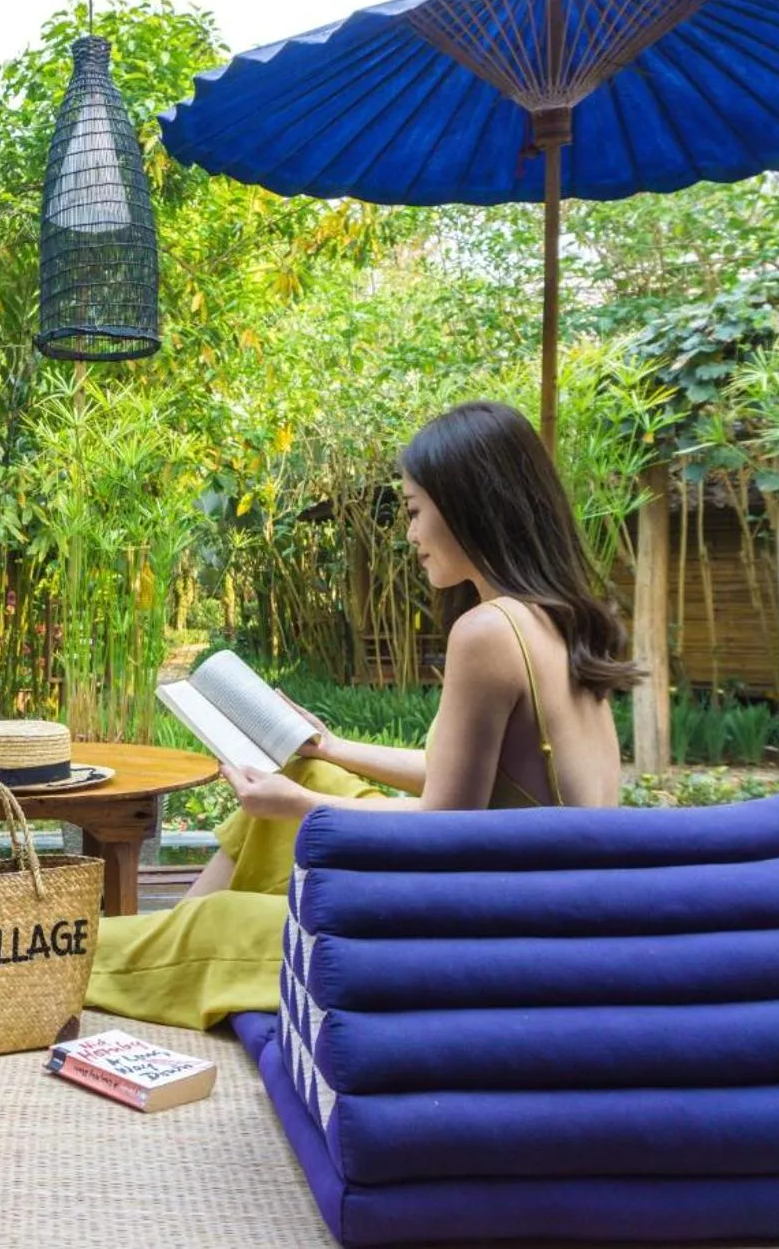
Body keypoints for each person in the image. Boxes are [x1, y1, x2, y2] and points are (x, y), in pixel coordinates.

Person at [86, 401, 641, 1029]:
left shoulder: (488, 632)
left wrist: (295, 809)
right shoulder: (555, 617)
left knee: (224, 922)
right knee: (303, 774)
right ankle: (166, 933)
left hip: (493, 933)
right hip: (535, 903)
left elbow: (444, 826)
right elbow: (457, 782)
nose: (409, 537)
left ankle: (105, 952)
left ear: (470, 506)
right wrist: (328, 746)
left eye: (413, 511)